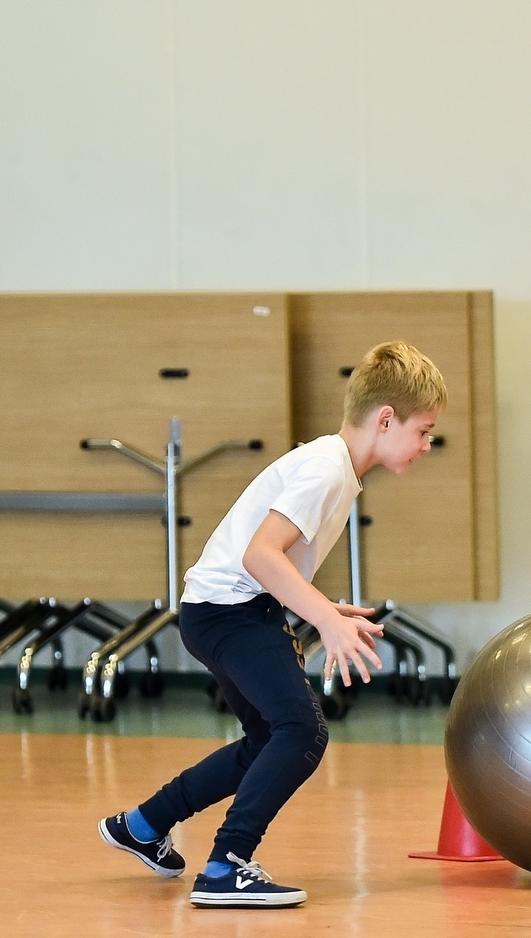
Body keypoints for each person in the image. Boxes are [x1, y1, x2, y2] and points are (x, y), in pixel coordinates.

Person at [98, 341, 447, 907]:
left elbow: (272, 559)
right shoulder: (327, 470)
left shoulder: (335, 467)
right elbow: (261, 556)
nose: (428, 444)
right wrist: (324, 622)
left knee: (268, 738)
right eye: (424, 430)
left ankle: (143, 825)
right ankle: (225, 867)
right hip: (232, 612)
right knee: (302, 732)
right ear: (386, 420)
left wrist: (325, 610)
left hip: (222, 611)